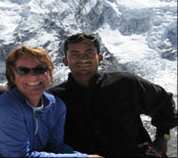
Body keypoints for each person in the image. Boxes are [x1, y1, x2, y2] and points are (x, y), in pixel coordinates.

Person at [48, 33, 178, 157]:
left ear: (100, 58)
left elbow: (165, 103)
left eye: (89, 53)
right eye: (75, 54)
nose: (83, 58)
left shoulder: (126, 83)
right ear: (65, 61)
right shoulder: (54, 98)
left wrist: (162, 139)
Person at [0, 45, 100, 157]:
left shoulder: (56, 106)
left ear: (50, 74)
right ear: (12, 77)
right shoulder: (5, 109)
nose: (33, 76)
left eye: (40, 69)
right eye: (23, 71)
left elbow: (54, 147)